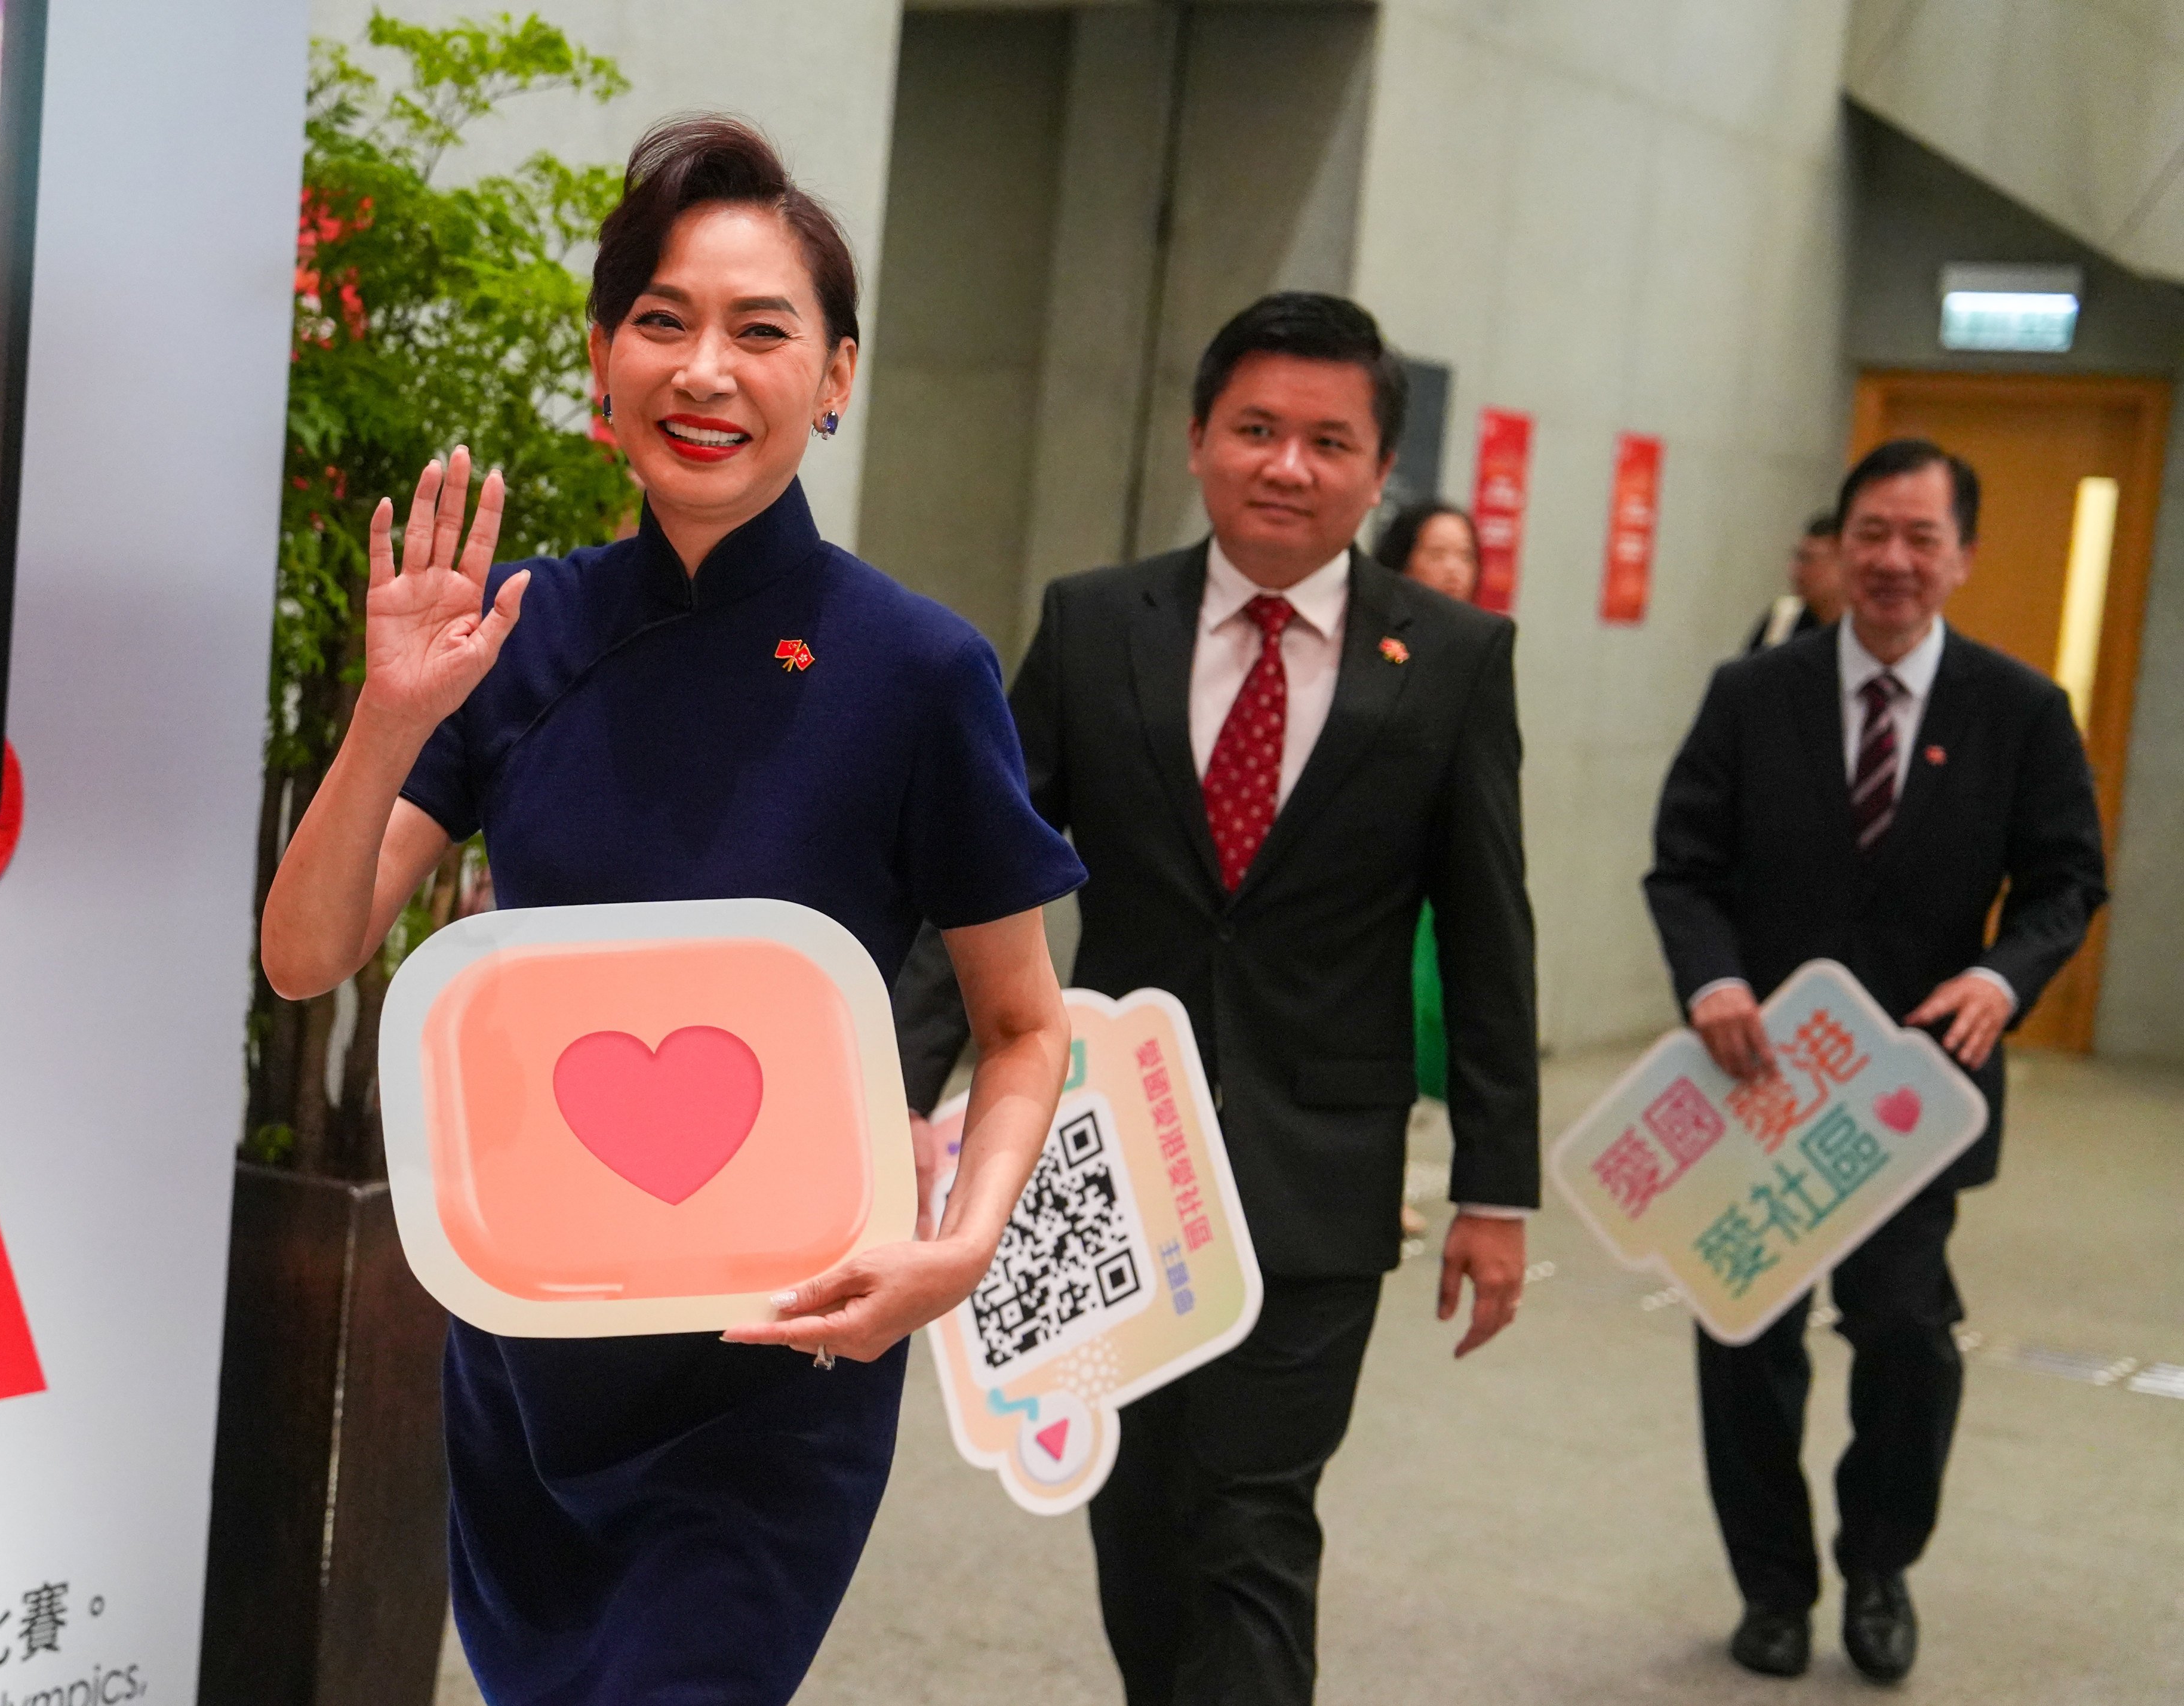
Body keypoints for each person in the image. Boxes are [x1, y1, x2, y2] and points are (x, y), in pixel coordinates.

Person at [259, 116, 1085, 1706]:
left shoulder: (918, 670)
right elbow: (306, 954)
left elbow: (1021, 1023)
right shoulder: (519, 629)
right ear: (603, 360)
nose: (706, 369)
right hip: (530, 1352)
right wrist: (386, 717)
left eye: (762, 331)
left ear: (835, 377)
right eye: (664, 322)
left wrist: (962, 1246)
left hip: (783, 1355)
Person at [892, 292, 1539, 1706]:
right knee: (1140, 1523)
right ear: (1197, 439)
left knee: (1252, 1521)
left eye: (1327, 439)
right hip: (1109, 1164)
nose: (1286, 465)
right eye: (1255, 428)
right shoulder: (1092, 623)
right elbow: (978, 881)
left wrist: (1497, 1186)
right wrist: (894, 1089)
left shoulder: (1449, 661)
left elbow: (1491, 937)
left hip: (1317, 1172)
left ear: (1378, 470)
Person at [1645, 438, 2106, 1683]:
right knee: (1744, 1333)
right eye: (1870, 535)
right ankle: (1773, 1588)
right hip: (1756, 1084)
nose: (1892, 561)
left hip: (1912, 1092)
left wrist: (2002, 976)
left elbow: (2069, 879)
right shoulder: (1754, 693)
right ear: (1838, 545)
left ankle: (1878, 1564)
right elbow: (1680, 864)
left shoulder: (2016, 710)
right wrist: (1712, 975)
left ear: (1959, 555)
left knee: (1903, 1331)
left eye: (1919, 538)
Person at [1370, 500, 1486, 1234]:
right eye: (1436, 551)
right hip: (1377, 879)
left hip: (1442, 878)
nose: (1451, 568)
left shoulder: (1475, 652)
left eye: (1464, 555)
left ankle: (1390, 1172)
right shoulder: (1376, 643)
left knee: (1430, 1025)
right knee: (1394, 1019)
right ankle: (1379, 1178)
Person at [1745, 512, 1843, 651]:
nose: (1795, 570)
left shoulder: (1865, 632)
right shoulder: (1782, 622)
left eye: (1807, 559)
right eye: (1797, 558)